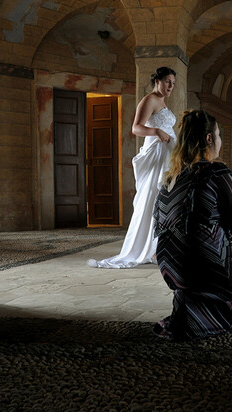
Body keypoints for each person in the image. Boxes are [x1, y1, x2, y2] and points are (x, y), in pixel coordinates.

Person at [152, 110, 232, 341]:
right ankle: (209, 314)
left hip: (169, 265)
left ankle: (194, 307)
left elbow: (159, 224)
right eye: (219, 135)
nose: (220, 140)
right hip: (200, 262)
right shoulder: (216, 171)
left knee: (200, 240)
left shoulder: (170, 177)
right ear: (209, 138)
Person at [87, 67, 177, 269]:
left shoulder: (162, 102)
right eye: (167, 82)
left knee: (164, 198)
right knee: (154, 196)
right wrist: (156, 131)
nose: (171, 86)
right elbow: (136, 128)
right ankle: (148, 248)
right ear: (157, 81)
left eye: (173, 83)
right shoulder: (149, 100)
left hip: (167, 154)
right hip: (157, 155)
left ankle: (158, 248)